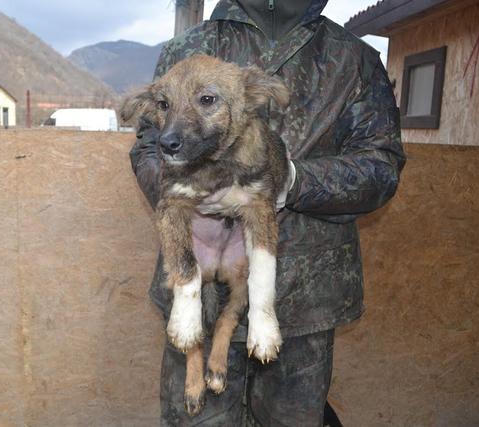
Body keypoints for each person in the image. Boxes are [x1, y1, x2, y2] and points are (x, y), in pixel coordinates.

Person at [129, 0, 406, 425]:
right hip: (196, 284)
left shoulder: (354, 59)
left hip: (304, 297)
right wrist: (186, 197)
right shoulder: (188, 48)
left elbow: (381, 169)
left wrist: (293, 181)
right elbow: (150, 146)